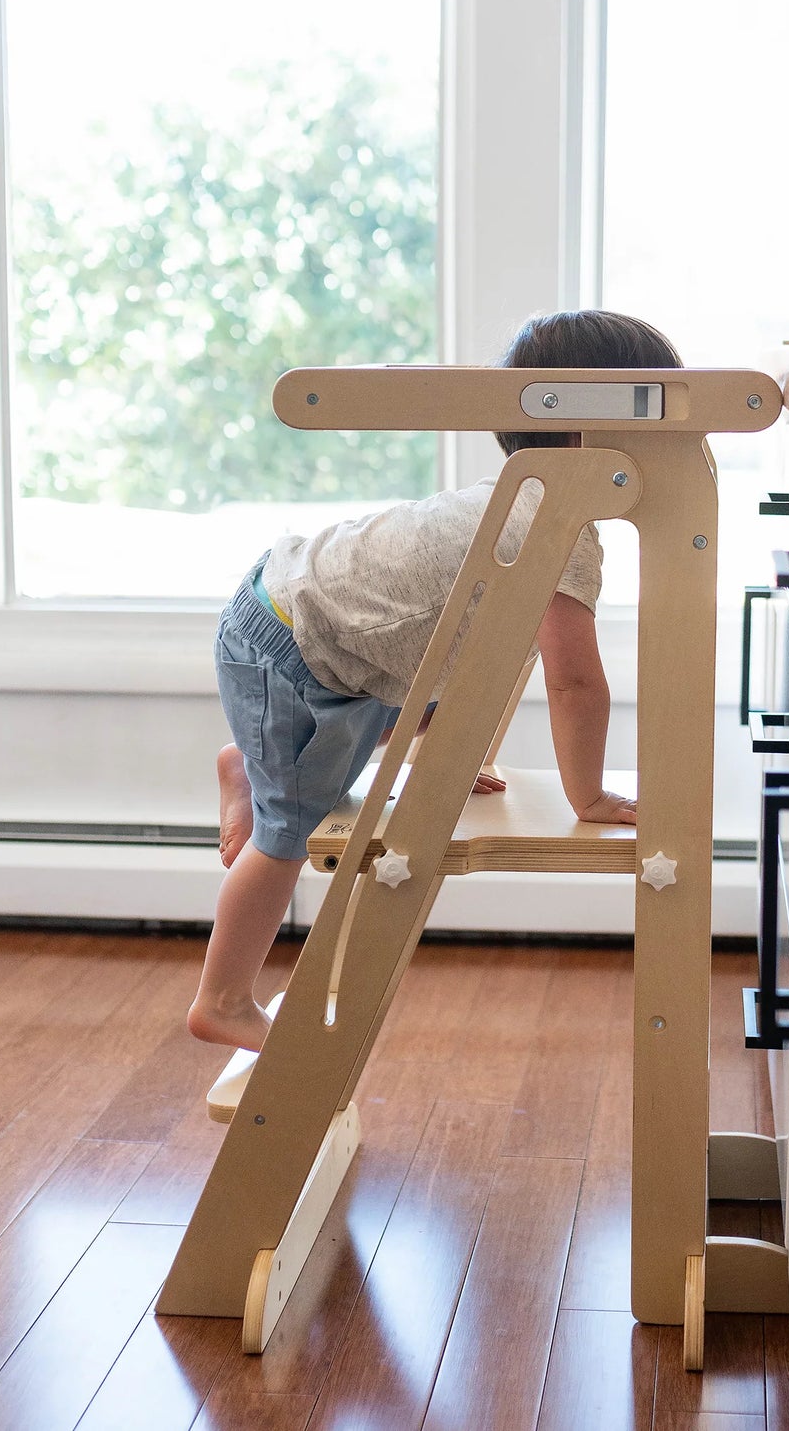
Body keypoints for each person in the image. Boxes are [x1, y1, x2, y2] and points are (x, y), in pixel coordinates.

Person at [188, 308, 683, 1052]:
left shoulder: (523, 499)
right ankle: (221, 999)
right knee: (286, 835)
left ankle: (248, 762)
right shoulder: (555, 532)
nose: (668, 453)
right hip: (293, 649)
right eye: (657, 428)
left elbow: (483, 650)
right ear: (588, 436)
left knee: (433, 686)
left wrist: (454, 746)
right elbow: (573, 682)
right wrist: (587, 795)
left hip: (314, 626)